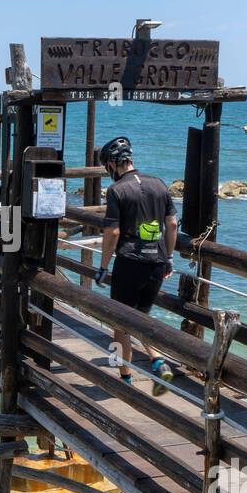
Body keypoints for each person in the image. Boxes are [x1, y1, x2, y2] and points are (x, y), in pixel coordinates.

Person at [93, 136, 178, 394]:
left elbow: (113, 233)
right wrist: (169, 257)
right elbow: (172, 224)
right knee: (141, 318)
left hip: (129, 263)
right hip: (156, 262)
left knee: (120, 324)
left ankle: (126, 381)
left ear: (111, 164)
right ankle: (158, 360)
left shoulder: (117, 191)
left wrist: (103, 267)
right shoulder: (159, 184)